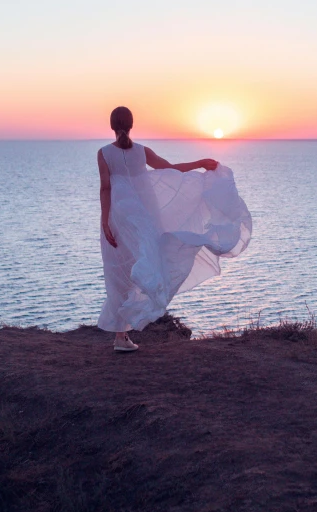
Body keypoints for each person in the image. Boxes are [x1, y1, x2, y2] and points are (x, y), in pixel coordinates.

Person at [97, 106, 252, 352]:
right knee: (148, 261)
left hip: (120, 218)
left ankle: (120, 336)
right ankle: (125, 333)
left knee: (120, 274)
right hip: (147, 217)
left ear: (112, 126)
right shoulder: (142, 151)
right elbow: (171, 169)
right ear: (131, 124)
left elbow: (105, 188)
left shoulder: (104, 153)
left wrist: (105, 221)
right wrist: (200, 163)